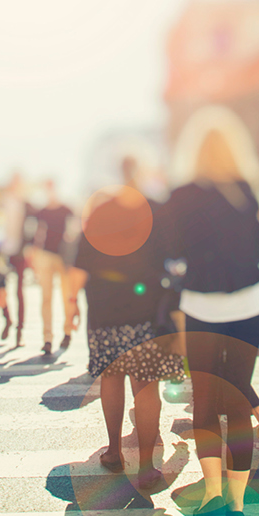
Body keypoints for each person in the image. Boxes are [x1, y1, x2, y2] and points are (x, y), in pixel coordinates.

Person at [162, 110, 259, 516]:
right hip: (250, 301)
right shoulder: (247, 192)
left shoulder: (182, 195)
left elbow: (172, 253)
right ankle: (238, 504)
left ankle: (212, 493)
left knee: (207, 400)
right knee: (237, 400)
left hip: (203, 305)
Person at [73, 156, 183, 489]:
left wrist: (68, 305)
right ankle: (148, 466)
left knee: (112, 375)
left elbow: (82, 261)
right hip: (147, 306)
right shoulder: (155, 207)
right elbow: (174, 255)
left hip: (105, 308)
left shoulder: (99, 210)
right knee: (146, 383)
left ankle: (115, 451)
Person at [25, 178, 79, 356]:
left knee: (66, 296)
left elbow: (75, 232)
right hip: (45, 256)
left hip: (64, 257)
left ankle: (67, 332)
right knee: (46, 297)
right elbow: (35, 234)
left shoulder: (67, 209)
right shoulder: (41, 212)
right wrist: (33, 255)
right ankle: (47, 339)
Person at [0, 173, 30, 345]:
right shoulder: (1, 203)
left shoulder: (26, 204)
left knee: (20, 291)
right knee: (1, 290)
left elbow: (31, 228)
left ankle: (20, 330)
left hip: (20, 252)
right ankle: (7, 319)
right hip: (3, 251)